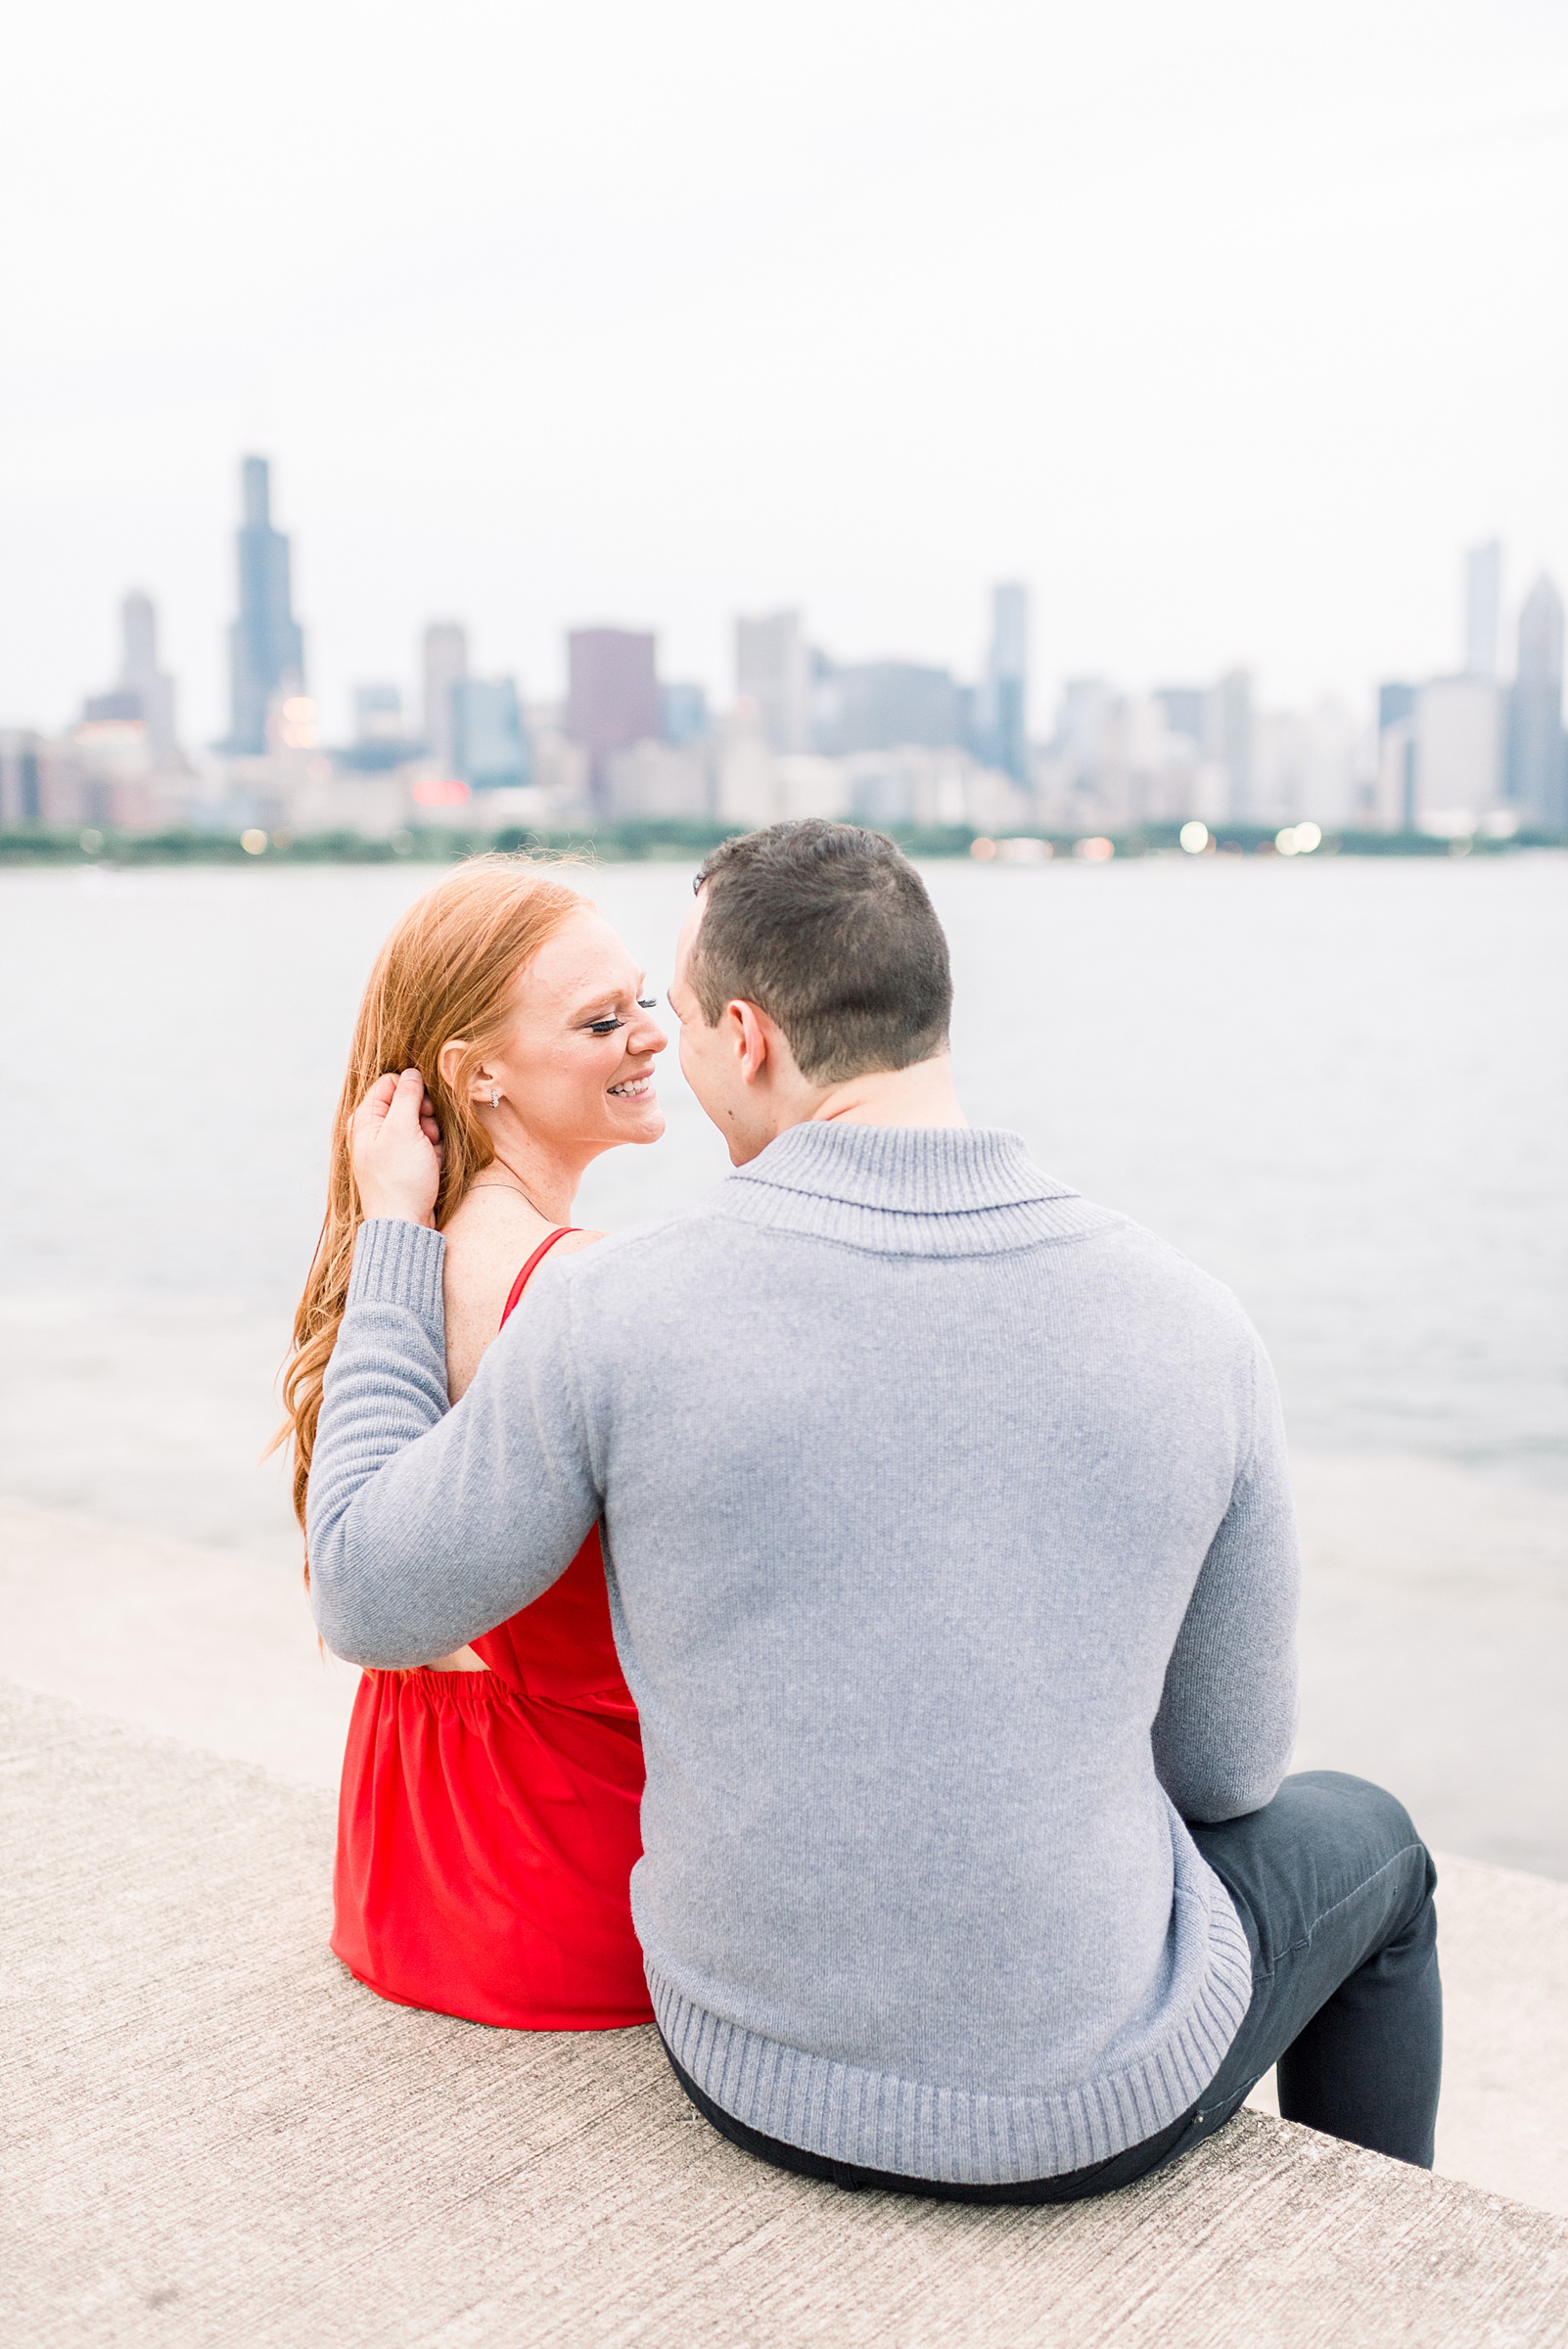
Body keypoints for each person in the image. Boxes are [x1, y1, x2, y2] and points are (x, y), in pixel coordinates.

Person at [305, 819, 1441, 2200]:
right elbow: (1224, 1775)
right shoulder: (1196, 1329)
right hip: (1083, 2110)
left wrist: (392, 1241)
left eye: (668, 1010)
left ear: (748, 1036)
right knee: (1374, 1844)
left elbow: (365, 1596)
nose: (665, 1046)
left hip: (742, 2066)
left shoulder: (618, 1308)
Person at [280, 855, 667, 2029]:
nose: (650, 1038)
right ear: (476, 1071)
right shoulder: (579, 1288)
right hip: (569, 1886)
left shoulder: (404, 1261)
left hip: (406, 1867)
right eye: (602, 1021)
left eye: (645, 999)